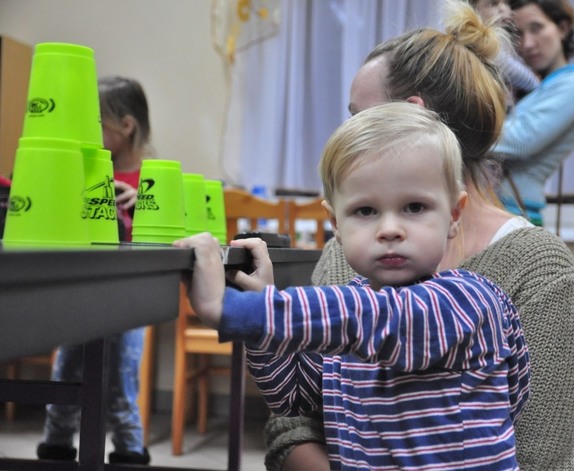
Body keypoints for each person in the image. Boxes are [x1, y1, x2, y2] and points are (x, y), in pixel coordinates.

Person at [263, 1, 574, 470]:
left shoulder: (535, 267)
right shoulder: (344, 254)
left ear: (413, 114)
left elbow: (542, 457)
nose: (345, 132)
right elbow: (294, 422)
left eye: (357, 116)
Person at [177, 102, 530, 470]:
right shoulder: (347, 320)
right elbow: (292, 397)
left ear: (454, 215)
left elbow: (375, 320)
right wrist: (260, 302)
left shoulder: (468, 301)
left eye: (414, 207)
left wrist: (229, 308)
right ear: (336, 224)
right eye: (365, 211)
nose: (389, 229)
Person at [37, 76, 152, 465]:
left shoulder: (152, 177)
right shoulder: (85, 171)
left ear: (126, 125)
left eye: (97, 123)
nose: (89, 131)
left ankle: (129, 450)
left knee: (121, 376)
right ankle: (56, 444)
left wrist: (143, 204)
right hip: (80, 292)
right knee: (67, 367)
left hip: (129, 297)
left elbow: (171, 237)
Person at [493, 0, 574, 226]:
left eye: (537, 28)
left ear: (563, 28)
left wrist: (454, 130)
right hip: (502, 208)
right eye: (518, 34)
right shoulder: (536, 87)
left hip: (514, 213)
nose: (527, 43)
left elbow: (520, 140)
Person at [468, 0, 540, 106]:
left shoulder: (507, 37)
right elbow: (524, 78)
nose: (503, 9)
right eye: (493, 4)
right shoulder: (476, 41)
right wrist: (539, 86)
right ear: (472, 9)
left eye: (506, 3)